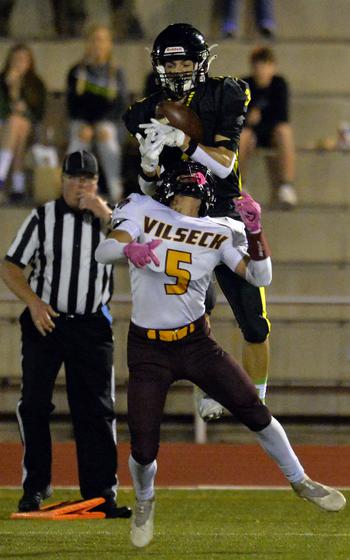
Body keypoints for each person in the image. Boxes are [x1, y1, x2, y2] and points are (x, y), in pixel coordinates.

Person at [95, 161, 346, 548]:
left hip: (195, 343)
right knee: (143, 446)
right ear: (167, 192)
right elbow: (104, 250)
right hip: (148, 347)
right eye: (180, 193)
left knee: (254, 410)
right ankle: (145, 500)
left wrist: (258, 233)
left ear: (204, 200)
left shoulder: (219, 230)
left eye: (193, 195)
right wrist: (128, 247)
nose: (185, 202)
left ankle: (300, 480)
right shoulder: (143, 210)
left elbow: (260, 278)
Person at [123, 23, 270, 420]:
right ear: (158, 67)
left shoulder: (226, 93)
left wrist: (185, 142)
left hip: (225, 217)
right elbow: (147, 189)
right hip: (181, 222)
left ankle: (254, 395)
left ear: (201, 62)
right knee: (192, 319)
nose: (178, 69)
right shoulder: (144, 111)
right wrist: (150, 164)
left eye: (185, 60)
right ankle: (217, 386)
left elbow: (224, 166)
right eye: (170, 63)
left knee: (253, 321)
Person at [0, 150, 131, 519]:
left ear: (96, 183)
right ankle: (35, 487)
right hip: (49, 320)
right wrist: (34, 303)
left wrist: (104, 213)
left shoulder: (112, 219)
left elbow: (133, 250)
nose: (80, 185)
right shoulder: (42, 218)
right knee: (35, 405)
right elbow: (10, 267)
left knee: (97, 409)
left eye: (87, 179)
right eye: (74, 178)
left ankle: (101, 493)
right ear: (62, 180)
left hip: (92, 324)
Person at [66, 24, 128, 203]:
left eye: (101, 40)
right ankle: (73, 190)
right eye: (93, 40)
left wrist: (102, 124)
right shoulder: (77, 71)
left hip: (109, 122)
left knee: (107, 139)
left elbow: (120, 105)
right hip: (82, 121)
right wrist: (85, 124)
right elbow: (73, 104)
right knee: (78, 141)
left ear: (109, 44)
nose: (97, 45)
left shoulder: (116, 72)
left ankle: (116, 190)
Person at [240, 46, 297, 208]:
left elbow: (282, 117)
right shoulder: (245, 85)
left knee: (284, 132)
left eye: (266, 66)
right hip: (252, 135)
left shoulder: (279, 84)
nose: (262, 71)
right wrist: (250, 120)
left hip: (271, 133)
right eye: (258, 66)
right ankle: (240, 186)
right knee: (242, 135)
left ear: (273, 67)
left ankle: (286, 186)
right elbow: (238, 118)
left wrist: (260, 117)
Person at [0, 43, 46, 204]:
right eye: (16, 59)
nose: (19, 63)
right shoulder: (1, 81)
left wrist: (17, 92)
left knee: (17, 124)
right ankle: (17, 188)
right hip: (2, 127)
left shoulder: (36, 84)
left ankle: (2, 179)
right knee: (14, 124)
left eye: (23, 59)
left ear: (30, 63)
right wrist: (11, 89)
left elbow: (37, 113)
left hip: (29, 129)